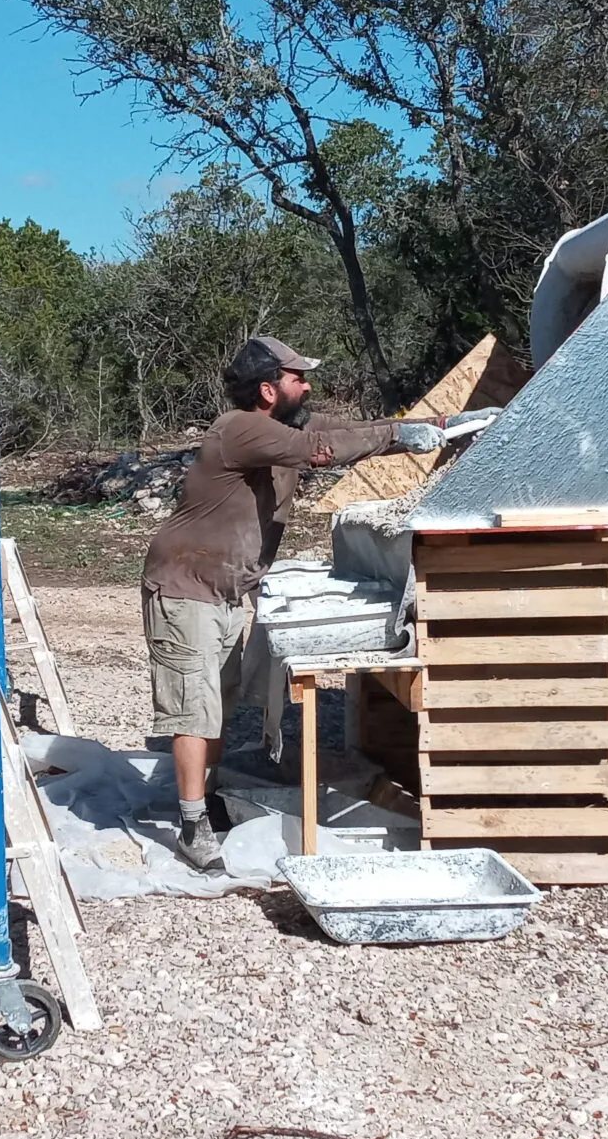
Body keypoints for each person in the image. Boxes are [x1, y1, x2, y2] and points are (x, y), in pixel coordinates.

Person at [140, 336, 443, 870]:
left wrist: (440, 425)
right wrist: (400, 435)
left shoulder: (284, 427)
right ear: (267, 389)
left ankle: (203, 799)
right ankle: (191, 827)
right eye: (296, 377)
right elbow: (319, 451)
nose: (306, 385)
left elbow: (345, 432)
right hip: (185, 588)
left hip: (225, 591)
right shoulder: (240, 429)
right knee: (195, 712)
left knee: (219, 705)